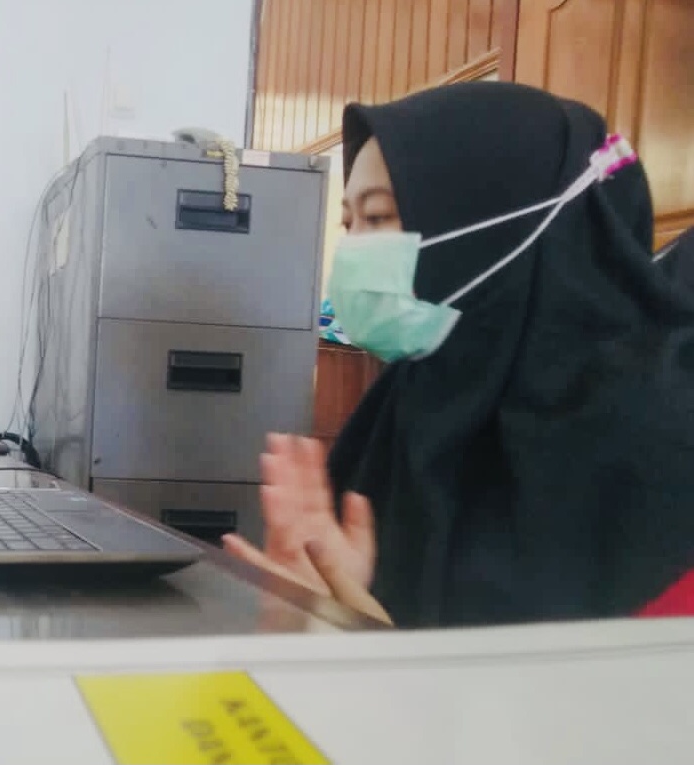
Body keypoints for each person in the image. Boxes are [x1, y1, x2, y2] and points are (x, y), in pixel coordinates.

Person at [223, 82, 694, 628]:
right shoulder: (406, 406)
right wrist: (304, 614)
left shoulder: (657, 449)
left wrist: (389, 654)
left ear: (505, 225)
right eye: (349, 223)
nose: (353, 250)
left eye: (378, 217)